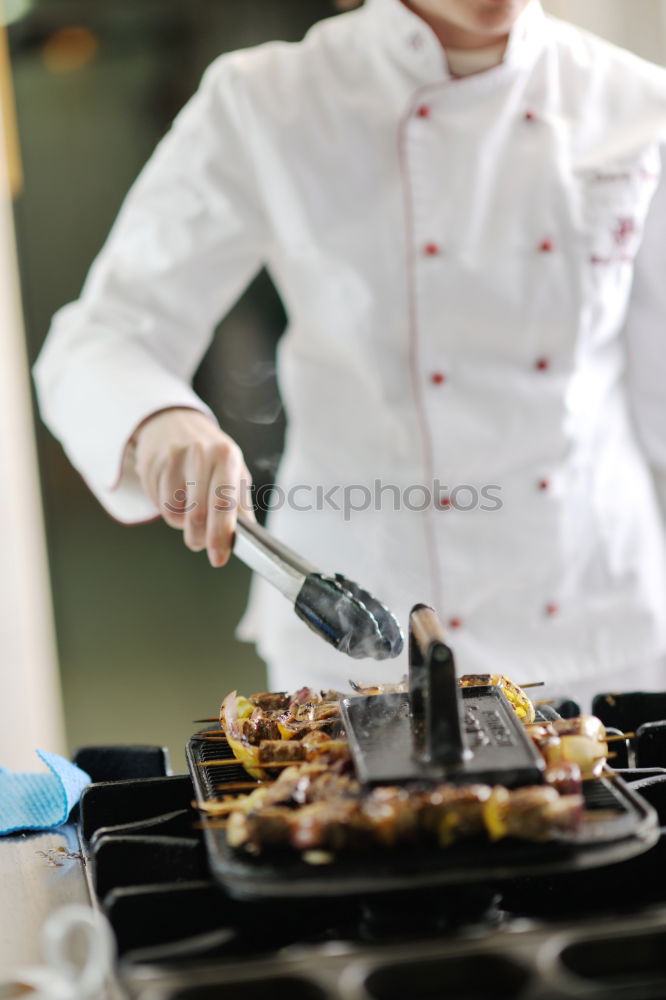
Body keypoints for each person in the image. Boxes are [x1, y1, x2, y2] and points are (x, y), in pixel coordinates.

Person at [34, 0, 666, 706]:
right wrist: (158, 417)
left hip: (597, 631)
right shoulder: (269, 98)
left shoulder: (638, 102)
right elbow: (102, 334)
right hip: (357, 632)